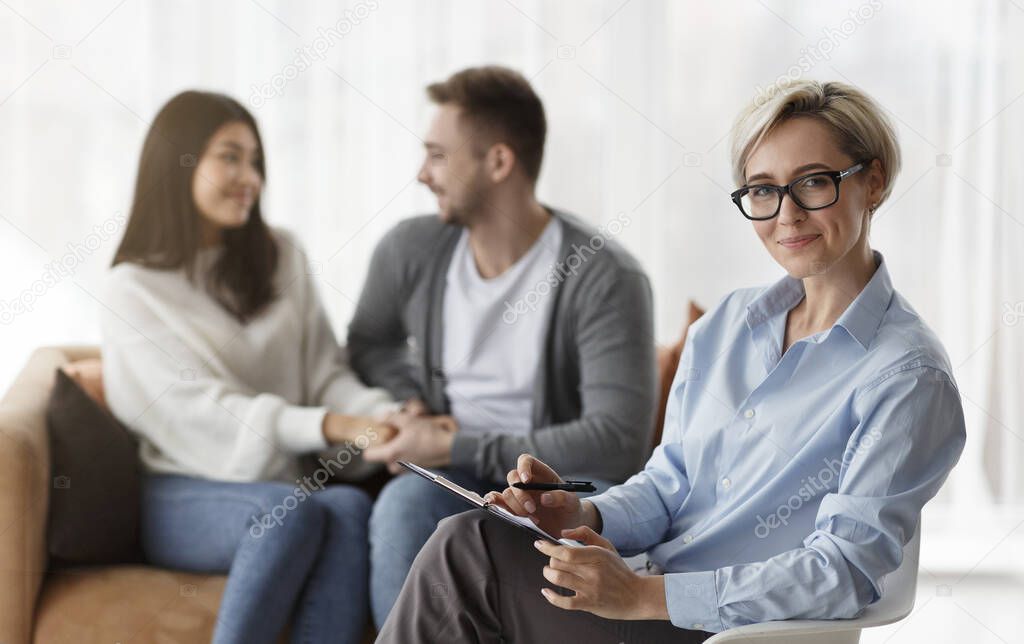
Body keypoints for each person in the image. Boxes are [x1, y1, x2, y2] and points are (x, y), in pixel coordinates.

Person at [376, 80, 967, 643]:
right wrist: (579, 512)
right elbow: (668, 484)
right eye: (763, 189)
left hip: (731, 635)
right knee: (476, 541)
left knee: (467, 551)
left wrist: (642, 597)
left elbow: (843, 573)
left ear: (874, 183)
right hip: (651, 603)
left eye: (813, 182)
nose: (786, 214)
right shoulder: (726, 329)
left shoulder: (907, 377)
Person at [347, 65, 657, 628]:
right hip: (455, 481)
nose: (422, 173)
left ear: (497, 162)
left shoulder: (603, 276)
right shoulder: (411, 250)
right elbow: (368, 343)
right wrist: (412, 399)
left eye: (438, 155)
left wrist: (456, 445)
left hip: (564, 483)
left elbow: (616, 443)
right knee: (402, 506)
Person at [101, 90, 397, 644]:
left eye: (256, 161)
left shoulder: (283, 255)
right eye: (230, 157)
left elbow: (324, 374)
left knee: (348, 508)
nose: (251, 177)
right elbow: (197, 412)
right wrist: (326, 425)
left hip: (281, 485)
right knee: (288, 512)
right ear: (179, 160)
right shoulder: (132, 289)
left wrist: (385, 417)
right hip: (183, 491)